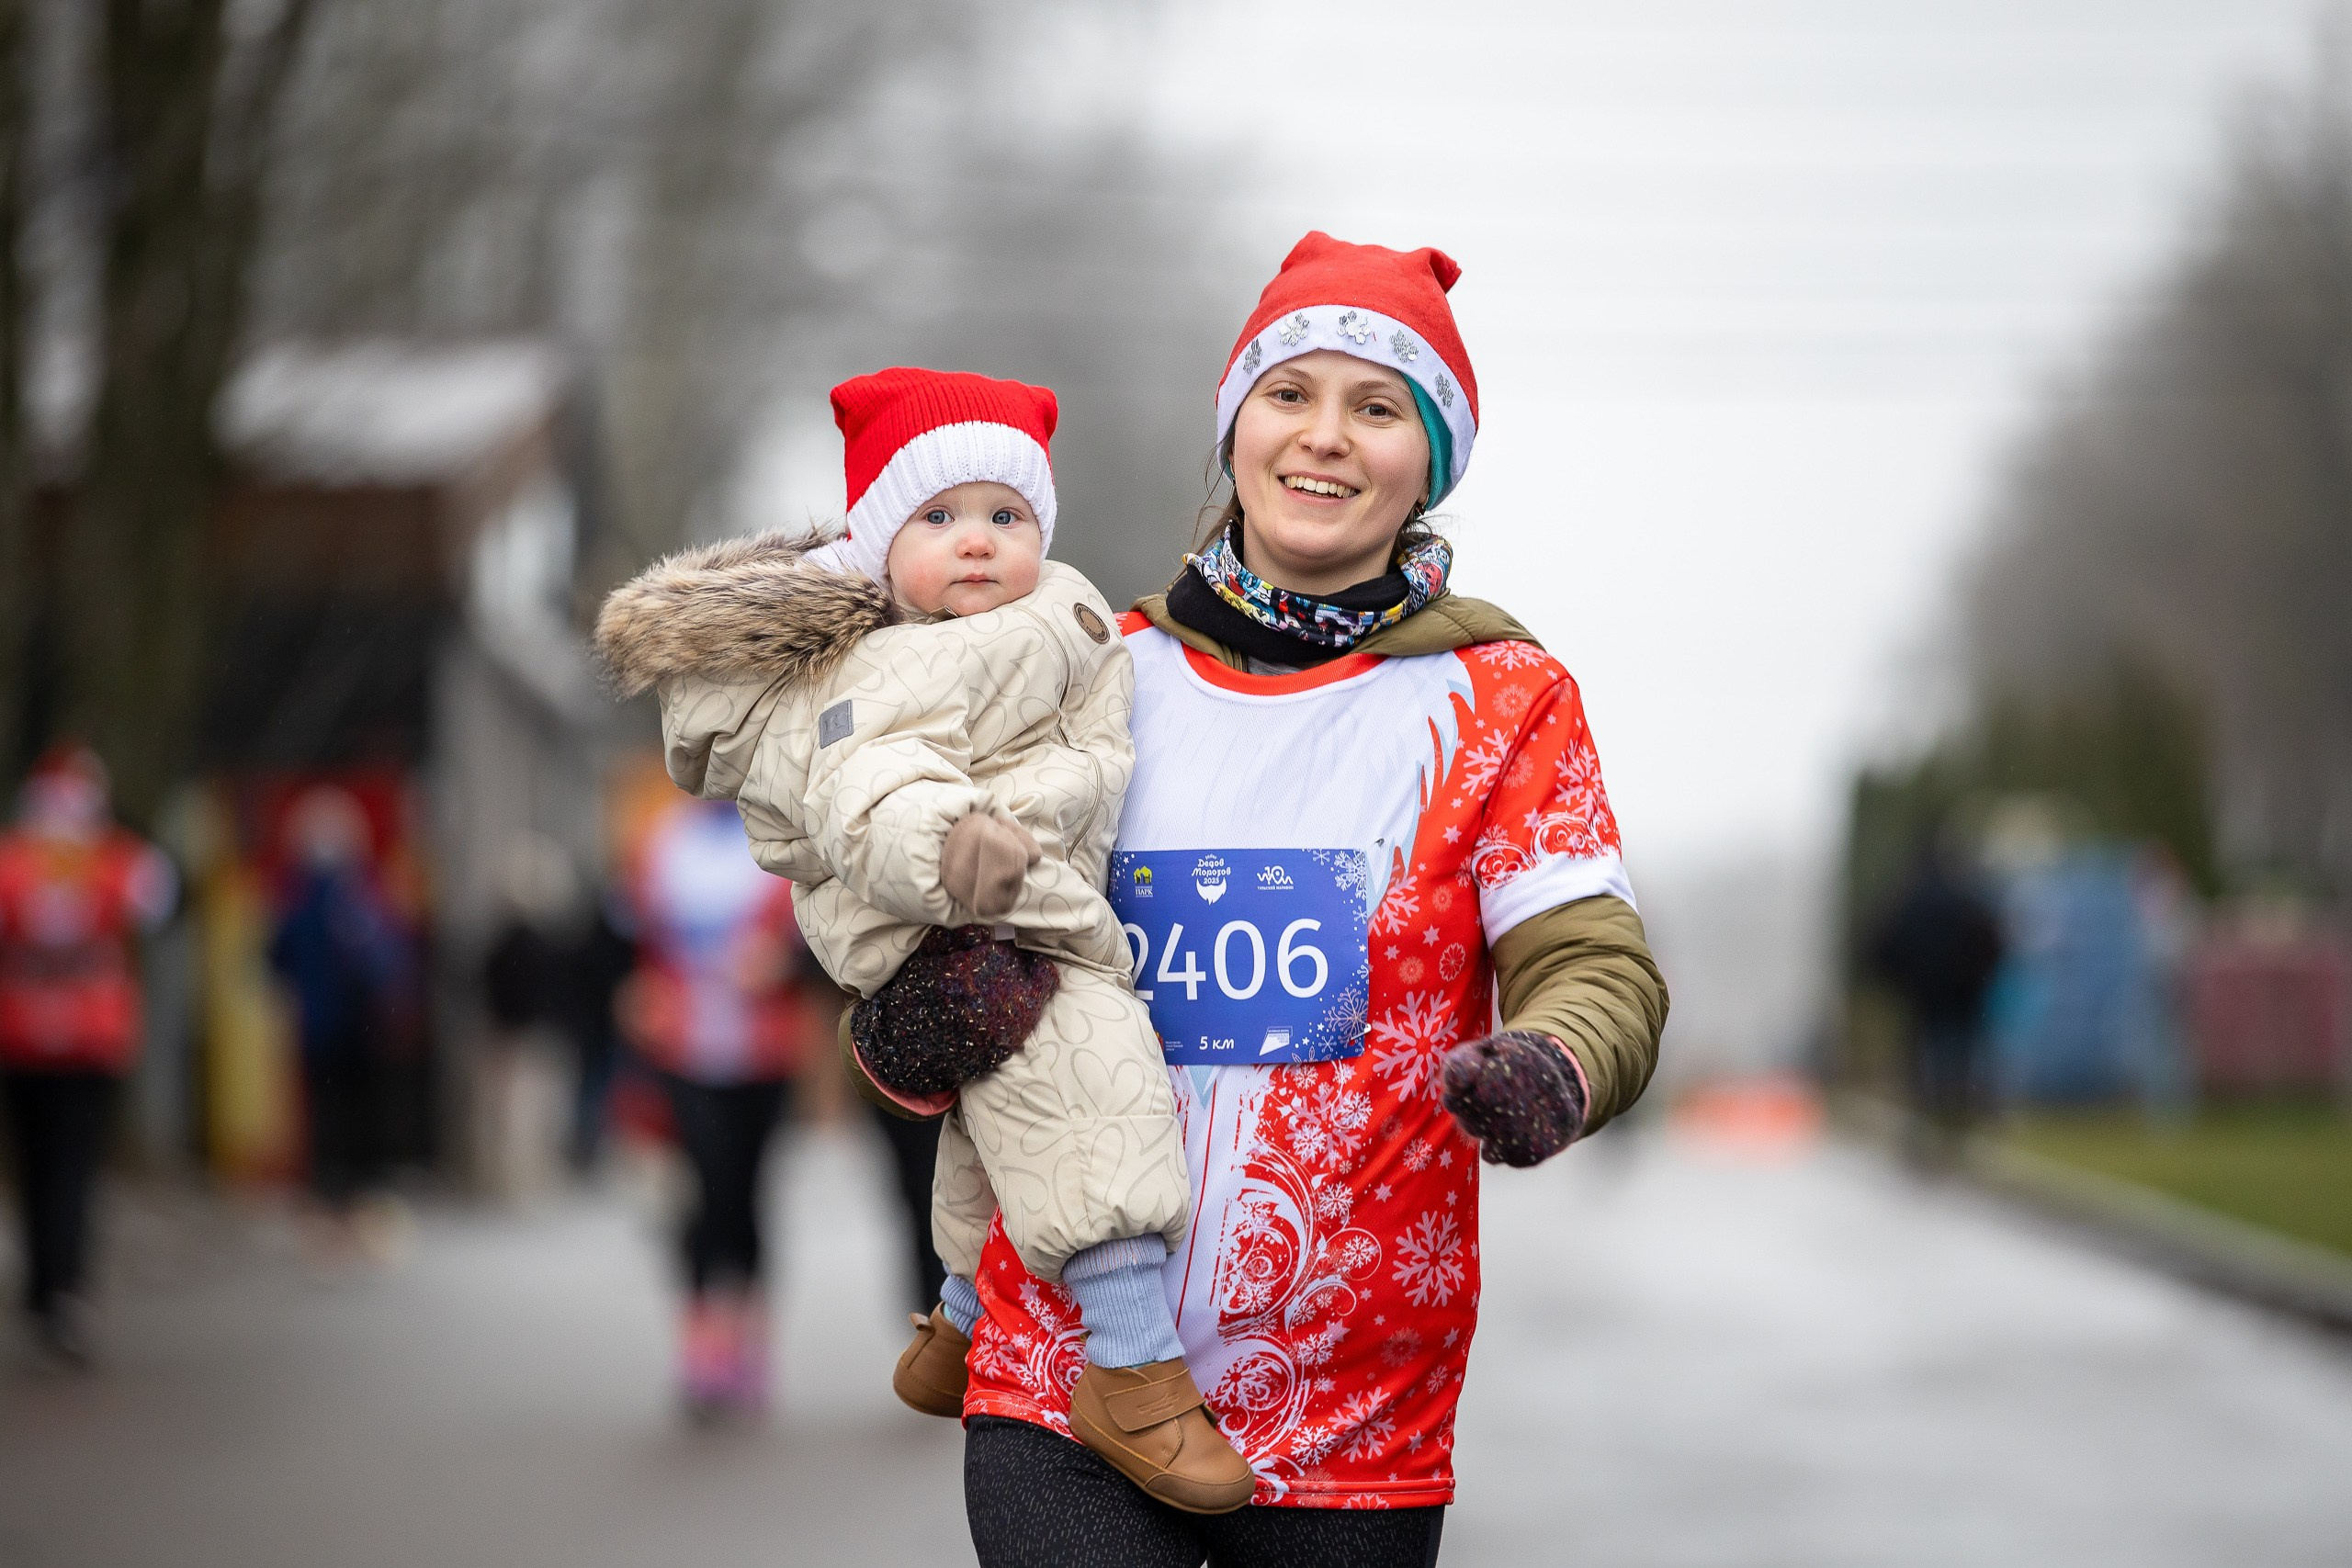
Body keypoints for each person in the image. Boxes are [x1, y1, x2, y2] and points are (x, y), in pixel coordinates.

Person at [878, 233, 1668, 1564]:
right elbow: (913, 910)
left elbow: (1595, 962)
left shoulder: (1505, 701)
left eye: (1377, 407)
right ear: (1235, 421)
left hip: (1351, 1405)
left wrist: (1554, 1058)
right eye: (1290, 393)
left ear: (1431, 457)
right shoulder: (1087, 672)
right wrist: (913, 1021)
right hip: (1067, 1359)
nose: (1326, 438)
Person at [596, 367, 1254, 1508]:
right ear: (875, 545)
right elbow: (871, 785)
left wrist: (1037, 810)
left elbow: (1096, 753)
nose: (977, 544)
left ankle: (958, 1313)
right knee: (1089, 1063)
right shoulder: (872, 666)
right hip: (943, 907)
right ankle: (1134, 1363)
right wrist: (949, 846)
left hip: (1015, 894)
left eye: (1007, 518)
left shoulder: (1052, 621)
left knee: (1001, 1112)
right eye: (938, 518)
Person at [616, 795, 813, 1421]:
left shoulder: (780, 832)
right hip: (683, 1048)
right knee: (702, 1187)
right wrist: (635, 989)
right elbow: (628, 939)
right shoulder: (662, 835)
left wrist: (780, 963)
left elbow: (822, 939)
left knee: (749, 1192)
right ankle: (702, 1341)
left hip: (763, 1053)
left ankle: (749, 1337)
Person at [0, 746, 175, 1367]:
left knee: (37, 1164)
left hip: (22, 1035)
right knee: (71, 1167)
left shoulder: (13, 863)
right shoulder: (114, 863)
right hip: (89, 1037)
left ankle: (44, 1287)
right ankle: (66, 1288)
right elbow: (160, 899)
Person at [268, 786, 412, 1252]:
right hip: (354, 1029)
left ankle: (333, 1207)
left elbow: (275, 958)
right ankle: (353, 1207)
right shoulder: (360, 892)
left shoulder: (299, 896)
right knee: (354, 1121)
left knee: (329, 1121)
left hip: (321, 1027)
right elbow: (387, 958)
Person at [1866, 837, 2005, 1158]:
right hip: (1962, 1000)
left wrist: (1900, 982)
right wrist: (1975, 979)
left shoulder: (1907, 905)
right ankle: (1957, 1125)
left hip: (1923, 1001)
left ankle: (1928, 1127)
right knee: (1962, 1063)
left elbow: (1880, 947)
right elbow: (1991, 941)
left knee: (1925, 1067)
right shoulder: (1966, 901)